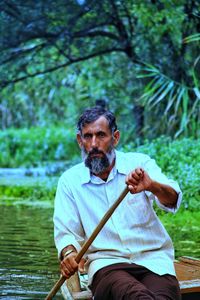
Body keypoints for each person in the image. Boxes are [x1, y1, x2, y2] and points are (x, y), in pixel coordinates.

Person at [53, 106, 182, 300]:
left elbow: (172, 199)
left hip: (153, 261)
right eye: (87, 137)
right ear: (80, 141)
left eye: (101, 135)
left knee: (164, 296)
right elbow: (65, 233)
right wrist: (70, 253)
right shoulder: (69, 181)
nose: (94, 144)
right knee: (135, 295)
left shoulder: (140, 164)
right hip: (107, 265)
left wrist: (151, 185)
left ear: (115, 137)